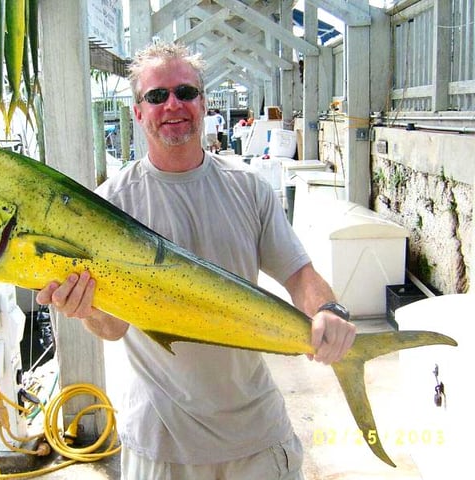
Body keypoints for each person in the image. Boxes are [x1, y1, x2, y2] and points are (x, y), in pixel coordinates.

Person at [37, 41, 356, 480]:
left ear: (203, 104)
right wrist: (87, 310)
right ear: (137, 112)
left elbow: (299, 274)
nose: (173, 105)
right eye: (156, 96)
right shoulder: (107, 208)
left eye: (185, 93)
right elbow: (112, 328)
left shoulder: (249, 189)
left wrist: (328, 310)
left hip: (255, 438)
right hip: (159, 446)